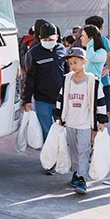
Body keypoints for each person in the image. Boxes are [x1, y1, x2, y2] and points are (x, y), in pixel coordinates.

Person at [53, 47, 108, 195]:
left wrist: (101, 120)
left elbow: (100, 101)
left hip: (85, 123)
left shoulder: (92, 81)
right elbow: (61, 99)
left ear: (84, 62)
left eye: (75, 62)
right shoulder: (67, 80)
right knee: (73, 150)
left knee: (84, 150)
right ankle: (76, 173)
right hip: (70, 122)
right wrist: (59, 116)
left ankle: (82, 178)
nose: (73, 66)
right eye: (70, 63)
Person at [22, 22, 68, 150]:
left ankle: (61, 154)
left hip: (61, 99)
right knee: (47, 131)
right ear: (40, 38)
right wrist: (27, 100)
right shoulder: (33, 53)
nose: (48, 42)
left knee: (62, 129)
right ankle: (49, 157)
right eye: (45, 40)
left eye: (51, 39)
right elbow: (30, 78)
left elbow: (67, 72)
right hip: (42, 100)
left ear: (57, 37)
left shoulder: (62, 49)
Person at [85, 16, 110, 110]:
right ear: (100, 27)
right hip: (103, 79)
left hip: (86, 81)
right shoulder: (103, 39)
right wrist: (108, 68)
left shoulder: (84, 41)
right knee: (103, 110)